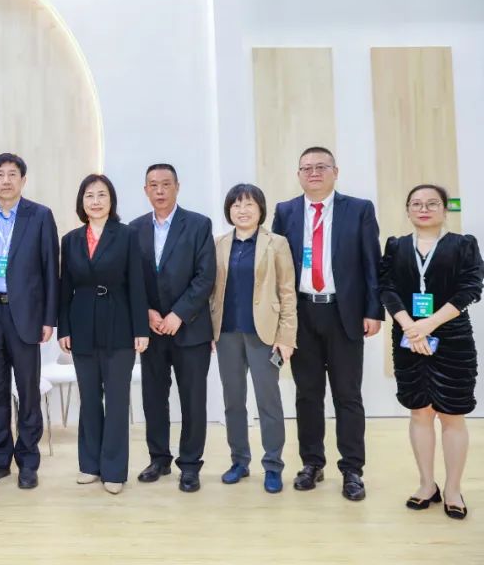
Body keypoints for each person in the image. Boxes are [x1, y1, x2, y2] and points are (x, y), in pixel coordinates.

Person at [271, 146, 382, 501]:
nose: (314, 173)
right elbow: (276, 268)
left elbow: (372, 262)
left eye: (321, 167)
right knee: (307, 394)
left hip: (344, 313)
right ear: (298, 174)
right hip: (302, 314)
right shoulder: (285, 211)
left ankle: (352, 469)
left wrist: (373, 310)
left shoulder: (359, 209)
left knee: (347, 395)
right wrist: (279, 321)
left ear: (336, 171)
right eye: (307, 168)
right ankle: (312, 463)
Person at [379, 184, 481, 520]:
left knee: (452, 414)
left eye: (432, 203)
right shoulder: (396, 246)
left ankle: (452, 489)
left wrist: (429, 324)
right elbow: (386, 288)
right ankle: (427, 484)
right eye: (417, 204)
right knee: (420, 412)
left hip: (451, 338)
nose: (424, 209)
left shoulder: (463, 245)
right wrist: (411, 327)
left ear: (444, 209)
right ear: (408, 209)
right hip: (408, 338)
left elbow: (471, 288)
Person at [0, 153, 59, 490]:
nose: (5, 180)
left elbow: (51, 269)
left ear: (23, 180)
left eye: (12, 174)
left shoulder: (40, 216)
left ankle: (28, 462)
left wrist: (49, 317)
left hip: (27, 316)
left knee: (28, 391)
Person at [58, 174, 148, 494]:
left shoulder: (127, 235)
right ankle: (90, 465)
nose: (95, 201)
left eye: (101, 195)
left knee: (118, 399)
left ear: (111, 200)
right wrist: (64, 328)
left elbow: (137, 284)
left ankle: (114, 470)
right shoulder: (70, 240)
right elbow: (65, 288)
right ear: (81, 202)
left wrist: (141, 329)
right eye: (89, 196)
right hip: (82, 324)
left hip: (119, 324)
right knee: (89, 398)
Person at [129, 163, 215, 492]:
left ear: (177, 186)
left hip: (190, 329)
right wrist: (147, 312)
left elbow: (205, 276)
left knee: (193, 399)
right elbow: (131, 278)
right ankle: (159, 459)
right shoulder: (134, 229)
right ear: (145, 190)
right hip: (151, 330)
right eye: (153, 185)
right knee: (153, 398)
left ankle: (190, 465)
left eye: (166, 184)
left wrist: (179, 314)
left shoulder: (198, 225)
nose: (160, 190)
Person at [210, 184, 297, 495]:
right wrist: (210, 331)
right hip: (227, 334)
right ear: (228, 211)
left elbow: (287, 292)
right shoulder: (219, 244)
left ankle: (273, 465)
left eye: (248, 204)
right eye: (236, 205)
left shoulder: (277, 243)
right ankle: (239, 461)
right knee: (233, 401)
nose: (242, 210)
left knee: (268, 401)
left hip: (265, 335)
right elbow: (211, 291)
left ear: (260, 209)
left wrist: (286, 336)